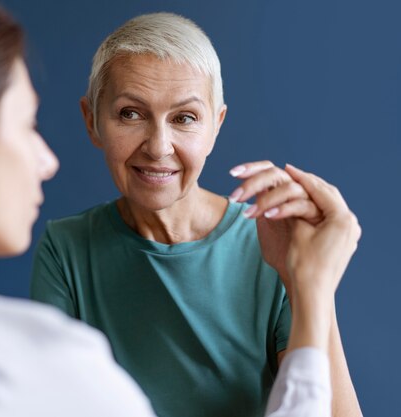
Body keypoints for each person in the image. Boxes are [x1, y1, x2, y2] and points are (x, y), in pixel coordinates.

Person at [0, 1, 359, 416]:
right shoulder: (40, 361)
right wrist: (313, 290)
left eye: (185, 118)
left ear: (217, 124)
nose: (46, 159)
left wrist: (311, 293)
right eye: (25, 125)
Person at [31, 12, 363, 417]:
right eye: (130, 114)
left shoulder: (273, 240)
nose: (158, 146)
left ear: (215, 125)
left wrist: (309, 281)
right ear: (92, 121)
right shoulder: (66, 250)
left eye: (184, 118)